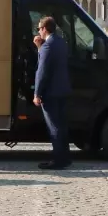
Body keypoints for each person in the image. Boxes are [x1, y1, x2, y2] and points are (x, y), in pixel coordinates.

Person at [33, 16, 72, 169]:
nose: (38, 32)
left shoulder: (47, 46)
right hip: (63, 90)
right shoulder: (61, 42)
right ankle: (66, 157)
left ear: (44, 29)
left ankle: (58, 160)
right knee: (62, 126)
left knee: (54, 127)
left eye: (39, 29)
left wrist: (37, 93)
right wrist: (40, 48)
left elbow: (41, 72)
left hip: (51, 93)